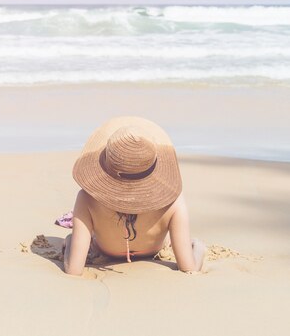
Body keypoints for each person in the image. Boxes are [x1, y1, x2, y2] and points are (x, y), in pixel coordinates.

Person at [63, 116, 205, 275]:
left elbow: (74, 270)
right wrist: (199, 247)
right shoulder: (174, 201)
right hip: (153, 250)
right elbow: (189, 267)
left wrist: (69, 242)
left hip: (106, 251)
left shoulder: (87, 199)